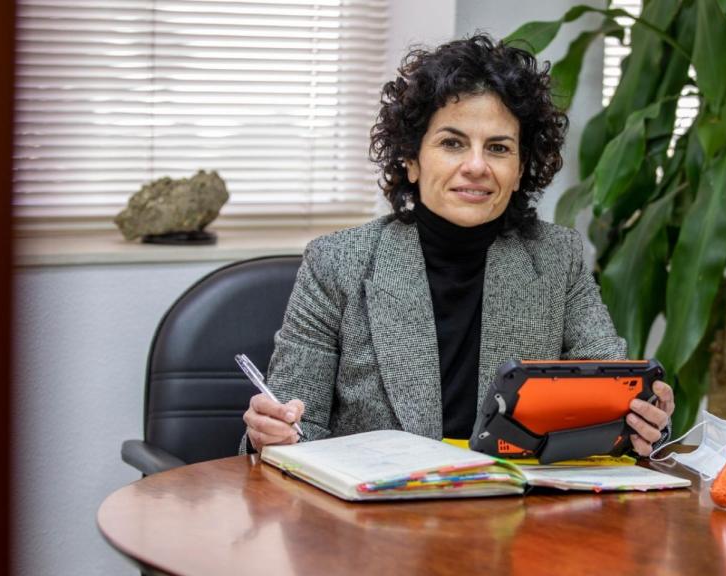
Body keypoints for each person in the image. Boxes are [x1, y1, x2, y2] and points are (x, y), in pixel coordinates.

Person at [242, 34, 674, 458]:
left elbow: (615, 393)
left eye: (499, 148)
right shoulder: (336, 262)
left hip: (516, 515)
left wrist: (647, 417)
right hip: (377, 515)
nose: (476, 167)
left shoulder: (556, 257)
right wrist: (275, 435)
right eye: (452, 143)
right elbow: (296, 425)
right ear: (411, 159)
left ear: (521, 169)